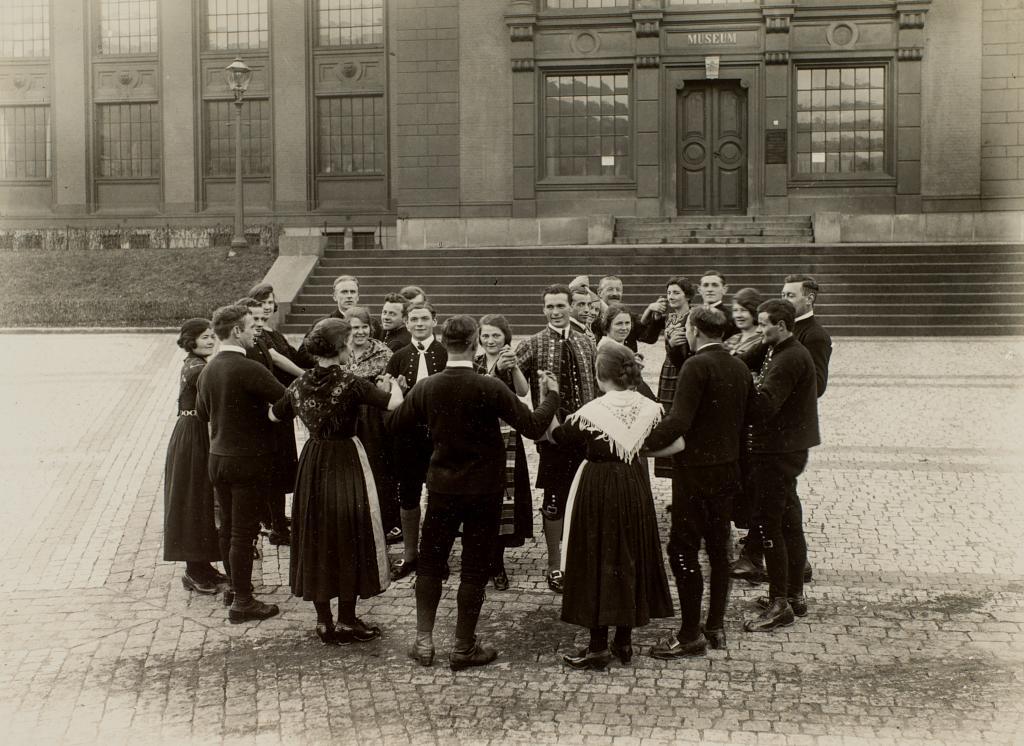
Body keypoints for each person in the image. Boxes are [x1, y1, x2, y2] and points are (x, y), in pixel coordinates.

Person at [386, 315, 561, 670]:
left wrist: (396, 394)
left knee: (432, 562)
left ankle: (423, 641)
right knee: (474, 567)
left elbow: (393, 423)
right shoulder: (489, 386)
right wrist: (553, 396)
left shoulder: (428, 386)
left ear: (444, 340)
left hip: (441, 487)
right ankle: (464, 646)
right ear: (475, 342)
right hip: (484, 489)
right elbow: (533, 425)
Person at [270, 318, 403, 645]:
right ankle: (346, 619)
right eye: (347, 344)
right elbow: (393, 403)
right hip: (345, 460)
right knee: (349, 537)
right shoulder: (350, 381)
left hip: (313, 462)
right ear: (340, 348)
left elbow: (275, 414)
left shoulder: (299, 384)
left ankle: (323, 622)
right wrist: (393, 386)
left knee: (316, 536)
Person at [552, 343, 679, 670]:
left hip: (597, 487)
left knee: (597, 555)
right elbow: (676, 443)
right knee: (628, 552)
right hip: (633, 484)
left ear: (599, 375)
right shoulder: (650, 408)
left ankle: (597, 646)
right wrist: (637, 451)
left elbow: (558, 437)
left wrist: (550, 398)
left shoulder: (591, 412)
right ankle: (623, 640)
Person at [643, 307, 752, 658]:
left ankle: (690, 633)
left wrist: (640, 443)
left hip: (694, 474)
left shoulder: (695, 365)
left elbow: (679, 420)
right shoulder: (738, 366)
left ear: (694, 330)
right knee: (719, 550)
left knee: (683, 549)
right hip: (728, 472)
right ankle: (715, 625)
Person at [196, 304, 286, 623]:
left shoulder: (209, 369)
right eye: (250, 327)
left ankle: (234, 589)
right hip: (247, 461)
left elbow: (204, 414)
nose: (254, 333)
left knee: (229, 528)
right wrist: (268, 415)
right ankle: (244, 601)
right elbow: (286, 400)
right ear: (237, 331)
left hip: (218, 459)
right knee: (243, 532)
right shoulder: (248, 367)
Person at [743, 299, 821, 632]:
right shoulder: (784, 349)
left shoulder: (789, 358)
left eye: (763, 324)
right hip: (788, 449)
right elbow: (748, 361)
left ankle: (779, 604)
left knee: (769, 522)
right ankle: (793, 594)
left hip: (776, 452)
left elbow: (763, 406)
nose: (759, 329)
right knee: (789, 518)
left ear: (782, 325)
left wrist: (743, 389)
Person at [515, 284, 598, 593]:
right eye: (550, 307)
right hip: (552, 437)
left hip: (586, 431)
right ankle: (554, 565)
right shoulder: (534, 343)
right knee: (554, 500)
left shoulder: (586, 342)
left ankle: (581, 559)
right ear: (543, 309)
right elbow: (511, 379)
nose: (556, 311)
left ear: (571, 306)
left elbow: (597, 382)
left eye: (561, 306)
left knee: (585, 497)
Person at [384, 302, 448, 580]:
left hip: (440, 436)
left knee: (439, 496)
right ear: (407, 324)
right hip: (407, 437)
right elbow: (388, 401)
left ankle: (437, 556)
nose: (419, 324)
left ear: (434, 321)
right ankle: (410, 554)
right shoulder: (398, 356)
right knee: (408, 495)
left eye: (424, 319)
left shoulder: (445, 354)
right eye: (414, 319)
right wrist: (400, 391)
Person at [164, 319, 225, 595]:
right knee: (193, 498)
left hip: (196, 431)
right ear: (191, 341)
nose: (210, 341)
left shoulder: (196, 363)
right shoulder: (199, 368)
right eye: (204, 337)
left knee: (200, 496)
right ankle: (193, 570)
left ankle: (203, 564)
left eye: (212, 336)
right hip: (193, 435)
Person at [474, 314, 532, 590]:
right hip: (479, 438)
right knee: (482, 497)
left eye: (495, 335)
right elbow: (476, 393)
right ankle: (483, 560)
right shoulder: (474, 364)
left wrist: (515, 367)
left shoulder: (509, 363)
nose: (490, 340)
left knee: (505, 499)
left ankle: (496, 562)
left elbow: (523, 392)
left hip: (507, 438)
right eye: (485, 335)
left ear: (505, 338)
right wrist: (494, 369)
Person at [237, 296, 297, 547]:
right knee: (269, 474)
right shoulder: (248, 349)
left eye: (264, 318)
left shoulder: (262, 342)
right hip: (264, 420)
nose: (261, 323)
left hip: (275, 418)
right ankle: (274, 525)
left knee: (279, 471)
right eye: (255, 319)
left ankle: (276, 522)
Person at [346, 306, 401, 545]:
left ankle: (389, 523)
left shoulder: (382, 352)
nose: (359, 332)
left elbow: (386, 388)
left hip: (373, 419)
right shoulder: (340, 351)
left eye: (364, 327)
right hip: (346, 417)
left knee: (379, 468)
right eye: (354, 327)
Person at [638, 276, 695, 479]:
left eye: (676, 292)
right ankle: (673, 478)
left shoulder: (693, 317)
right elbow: (646, 336)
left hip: (686, 370)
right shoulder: (667, 317)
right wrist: (651, 312)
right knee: (668, 417)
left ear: (687, 295)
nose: (671, 296)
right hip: (668, 372)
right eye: (669, 292)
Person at [599, 304, 656, 401]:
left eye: (627, 323)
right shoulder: (606, 348)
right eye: (619, 323)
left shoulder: (619, 346)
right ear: (607, 326)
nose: (624, 328)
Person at [698, 269, 739, 339]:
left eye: (715, 285)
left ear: (724, 289)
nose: (710, 289)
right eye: (705, 285)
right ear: (699, 290)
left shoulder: (731, 318)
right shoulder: (692, 314)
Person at [725, 287, 764, 356]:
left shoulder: (763, 340)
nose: (738, 315)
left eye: (743, 310)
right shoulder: (731, 339)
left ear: (754, 312)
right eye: (735, 310)